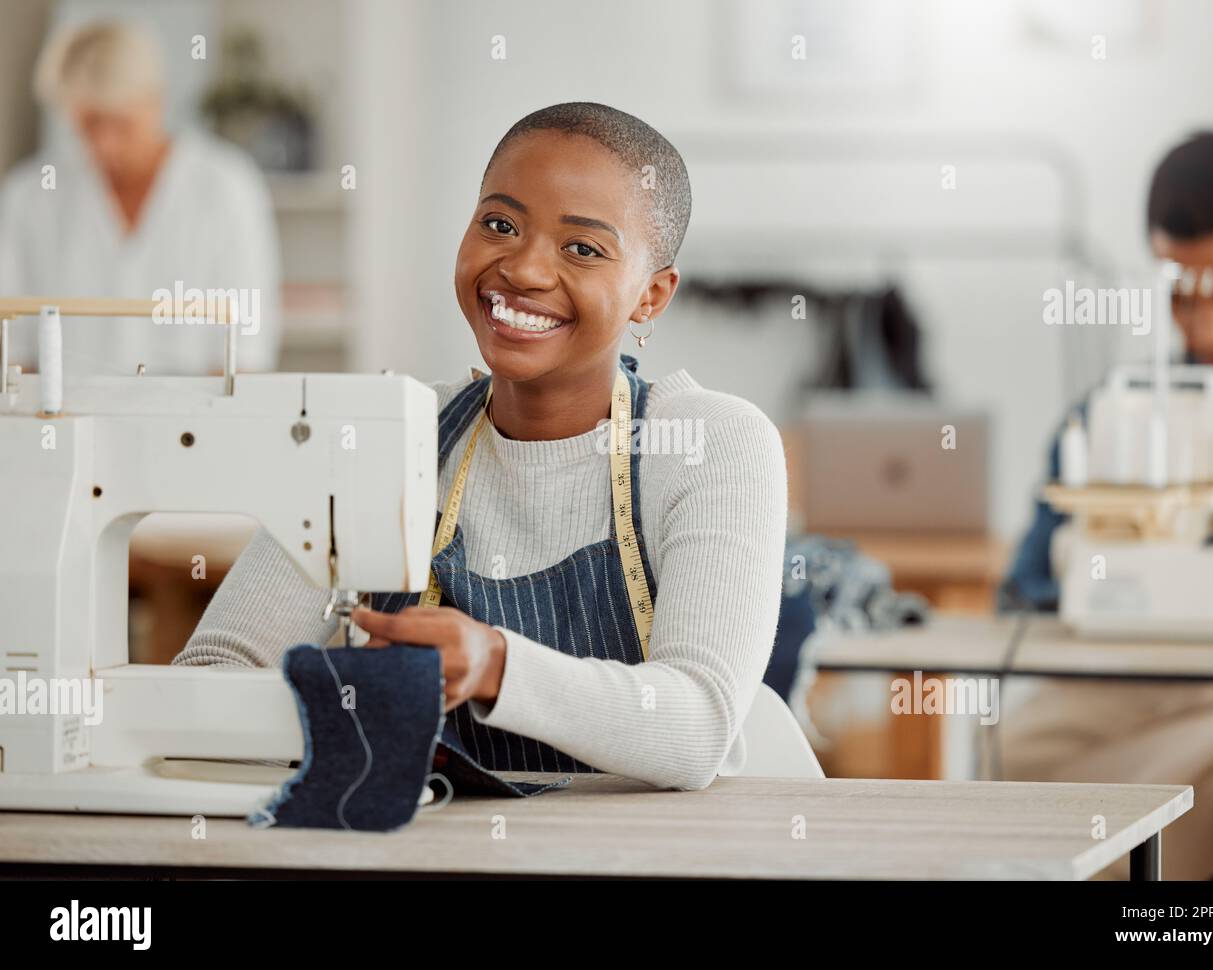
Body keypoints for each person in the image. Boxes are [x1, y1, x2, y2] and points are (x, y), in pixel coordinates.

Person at [174, 102, 789, 791]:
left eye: (582, 248)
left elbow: (699, 727)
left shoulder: (711, 445)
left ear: (651, 295)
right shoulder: (378, 439)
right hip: (438, 853)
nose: (523, 269)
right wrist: (340, 698)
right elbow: (216, 675)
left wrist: (494, 666)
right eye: (499, 225)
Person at [999, 131, 1213, 879]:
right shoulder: (1112, 415)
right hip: (1130, 695)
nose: (1205, 330)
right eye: (1181, 300)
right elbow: (1027, 590)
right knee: (1003, 764)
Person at [0, 20, 280, 375]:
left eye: (119, 122)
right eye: (89, 123)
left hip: (193, 423)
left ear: (155, 100)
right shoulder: (29, 196)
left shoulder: (227, 188)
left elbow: (248, 346)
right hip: (61, 423)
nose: (104, 142)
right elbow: (12, 348)